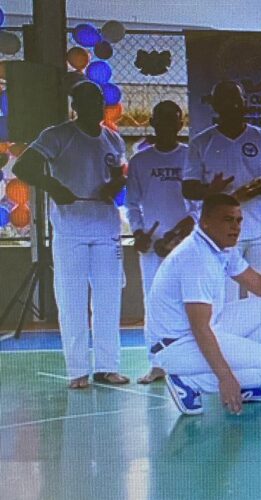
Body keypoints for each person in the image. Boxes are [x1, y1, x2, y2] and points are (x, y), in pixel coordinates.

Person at [146, 193, 261, 415]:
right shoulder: (196, 258)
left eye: (239, 220)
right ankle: (188, 382)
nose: (236, 227)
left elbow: (257, 283)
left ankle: (246, 385)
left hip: (197, 331)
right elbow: (199, 328)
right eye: (228, 220)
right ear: (206, 222)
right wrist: (226, 378)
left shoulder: (220, 247)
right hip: (176, 346)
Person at [12, 81, 129, 389]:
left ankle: (107, 367)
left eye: (98, 100)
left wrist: (115, 185)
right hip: (70, 230)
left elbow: (119, 176)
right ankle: (77, 370)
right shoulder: (57, 135)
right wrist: (52, 186)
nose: (94, 106)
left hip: (106, 228)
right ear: (75, 106)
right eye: (87, 101)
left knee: (108, 299)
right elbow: (23, 167)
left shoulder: (113, 139)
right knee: (72, 300)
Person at [182, 81, 261, 381]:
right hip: (221, 237)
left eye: (237, 100)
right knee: (225, 302)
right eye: (225, 101)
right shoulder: (202, 142)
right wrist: (214, 190)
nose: (232, 106)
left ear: (245, 102)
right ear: (215, 106)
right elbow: (189, 187)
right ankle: (229, 364)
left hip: (260, 229)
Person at [125, 101, 197, 384]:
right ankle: (157, 363)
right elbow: (132, 205)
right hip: (152, 246)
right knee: (154, 302)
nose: (167, 125)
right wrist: (139, 233)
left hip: (186, 244)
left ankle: (190, 361)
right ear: (152, 123)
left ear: (181, 125)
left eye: (173, 120)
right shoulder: (140, 161)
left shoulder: (190, 157)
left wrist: (178, 234)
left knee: (189, 301)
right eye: (162, 120)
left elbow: (199, 206)